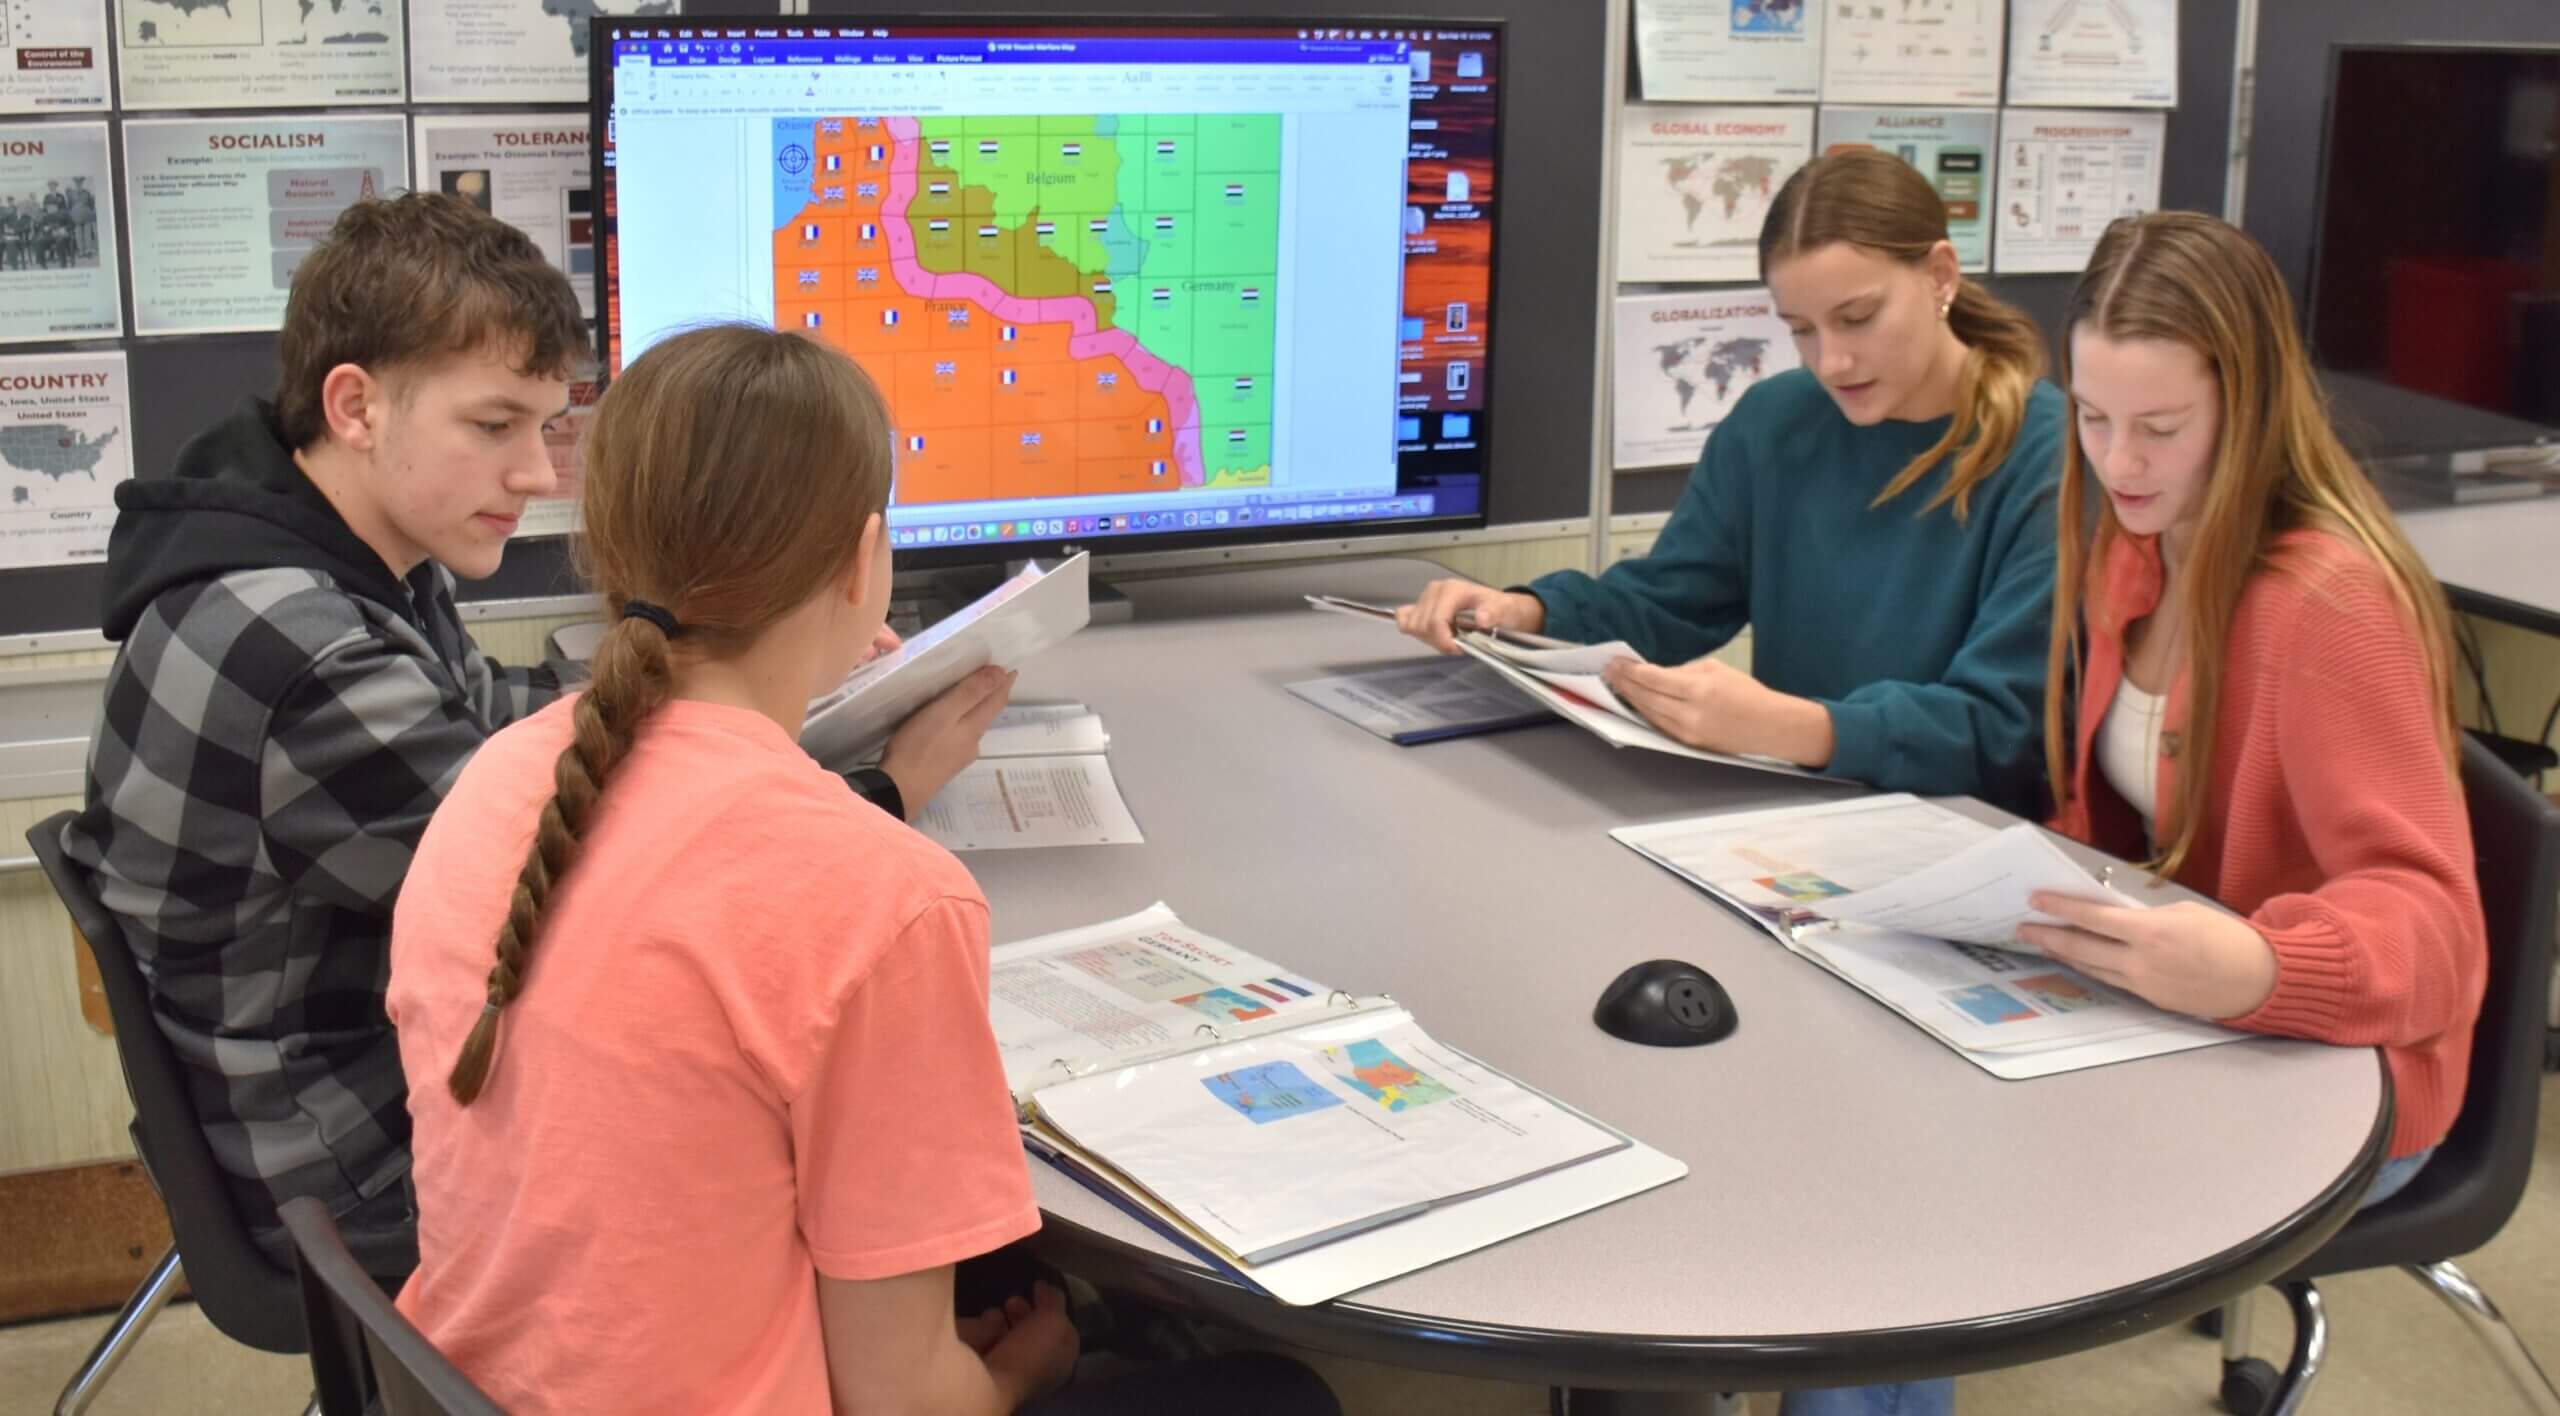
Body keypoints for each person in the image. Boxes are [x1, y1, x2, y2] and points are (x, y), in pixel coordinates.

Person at [387, 324, 1340, 1416]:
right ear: (864, 559)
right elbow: (905, 1405)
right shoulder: (880, 897)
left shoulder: (500, 776)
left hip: (490, 1389)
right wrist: (1034, 1367)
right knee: (1277, 1398)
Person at [57, 192, 1009, 1278]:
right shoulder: (299, 647)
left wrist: (727, 680)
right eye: (494, 425)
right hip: (345, 1168)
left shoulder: (331, 546)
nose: (537, 475)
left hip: (319, 1080)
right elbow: (591, 899)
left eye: (550, 428)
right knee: (817, 1164)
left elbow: (496, 724)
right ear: (356, 405)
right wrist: (882, 785)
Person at [2022, 211, 2486, 1209]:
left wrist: (2261, 966)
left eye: (2160, 429)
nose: (2119, 464)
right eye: (2093, 419)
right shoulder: (2136, 545)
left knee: (1969, 1172)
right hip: (2188, 1013)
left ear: (2248, 407)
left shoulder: (2327, 606)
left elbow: (2438, 934)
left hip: (2343, 1078)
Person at [1396, 148, 2065, 818]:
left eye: (1858, 317)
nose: (1832, 361)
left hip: (1966, 837)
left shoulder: (2049, 455)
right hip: (1796, 817)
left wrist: (1799, 729)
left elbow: (2006, 730)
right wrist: (1521, 615)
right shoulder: (1778, 421)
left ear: (1940, 276)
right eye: (1800, 330)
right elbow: (1671, 600)